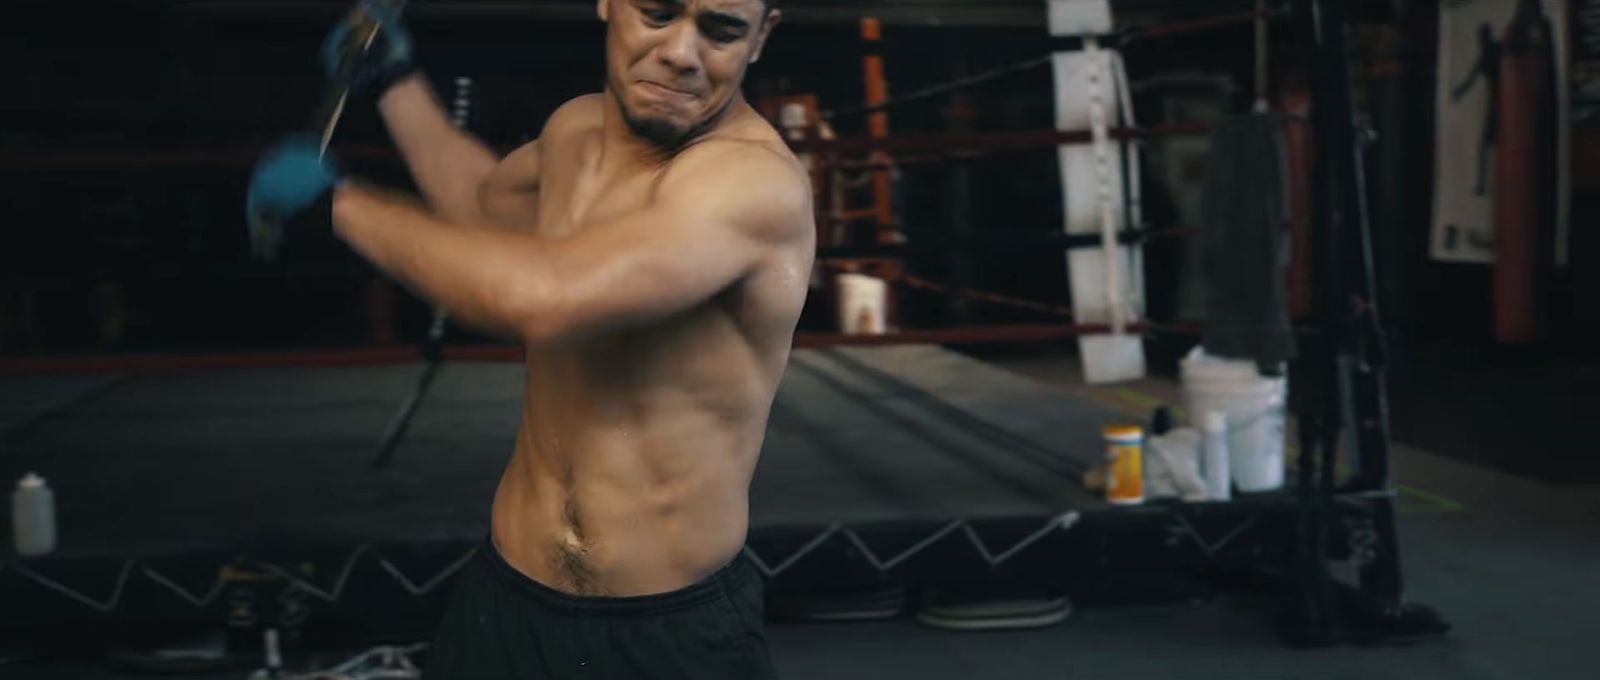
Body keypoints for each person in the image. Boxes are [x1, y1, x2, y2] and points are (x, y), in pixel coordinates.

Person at [246, 0, 813, 677]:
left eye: (720, 31)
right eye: (657, 14)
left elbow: (546, 297)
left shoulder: (749, 183)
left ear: (761, 37)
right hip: (506, 596)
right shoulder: (575, 130)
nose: (682, 54)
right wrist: (394, 81)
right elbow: (481, 204)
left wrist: (341, 206)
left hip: (663, 630)